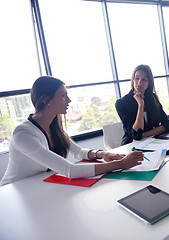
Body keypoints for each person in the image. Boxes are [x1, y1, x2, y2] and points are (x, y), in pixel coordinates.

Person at [0, 76, 144, 186]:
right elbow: (70, 170)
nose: (68, 100)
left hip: (39, 186)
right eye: (63, 95)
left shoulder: (53, 127)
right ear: (45, 99)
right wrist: (120, 164)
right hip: (12, 193)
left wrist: (102, 154)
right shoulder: (23, 134)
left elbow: (78, 152)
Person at [115, 64, 169, 145]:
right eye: (137, 78)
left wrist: (145, 135)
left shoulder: (152, 98)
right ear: (133, 79)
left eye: (144, 79)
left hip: (150, 141)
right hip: (131, 145)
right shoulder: (122, 103)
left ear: (149, 82)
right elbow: (136, 134)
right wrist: (140, 105)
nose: (139, 83)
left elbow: (167, 124)